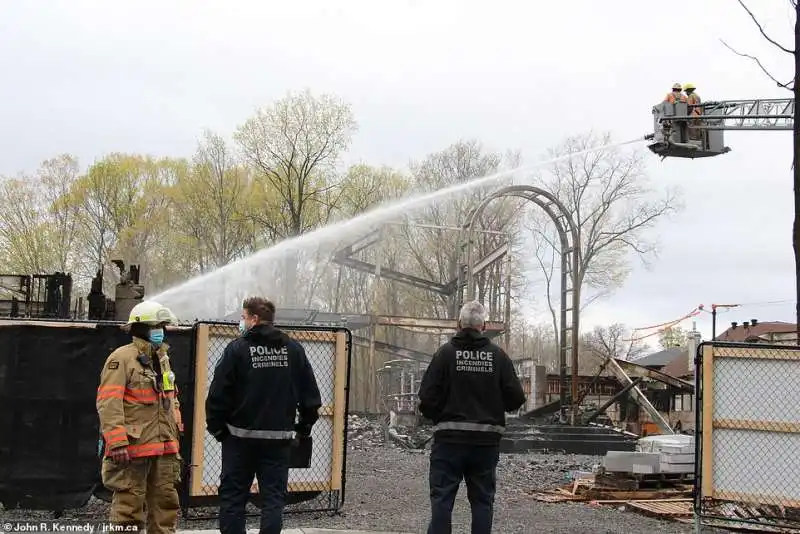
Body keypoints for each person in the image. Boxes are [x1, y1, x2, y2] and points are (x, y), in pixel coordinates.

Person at [206, 296, 322, 534]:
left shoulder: (237, 349)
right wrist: (303, 428)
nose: (242, 322)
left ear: (254, 319)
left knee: (233, 499)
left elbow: (218, 394)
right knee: (273, 500)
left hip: (239, 441)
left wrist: (218, 429)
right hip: (278, 443)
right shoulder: (293, 349)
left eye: (243, 317)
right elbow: (310, 395)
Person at [418, 300, 526, 534]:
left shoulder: (445, 355)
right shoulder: (498, 357)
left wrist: (439, 417)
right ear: (484, 326)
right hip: (485, 444)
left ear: (459, 325)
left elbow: (426, 398)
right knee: (482, 502)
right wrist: (494, 406)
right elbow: (517, 398)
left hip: (448, 442)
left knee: (442, 501)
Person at [96, 300, 183, 533]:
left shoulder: (163, 359)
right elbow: (108, 402)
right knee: (128, 510)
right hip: (133, 449)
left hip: (164, 448)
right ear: (140, 327)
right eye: (156, 326)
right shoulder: (121, 359)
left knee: (166, 507)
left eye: (163, 326)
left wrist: (175, 434)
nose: (160, 332)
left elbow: (170, 398)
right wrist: (117, 442)